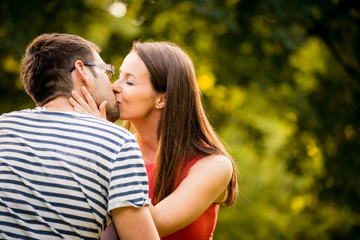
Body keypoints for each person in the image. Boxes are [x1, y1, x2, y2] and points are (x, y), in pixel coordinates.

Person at [69, 41, 239, 239]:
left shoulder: (213, 166)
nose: (114, 87)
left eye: (129, 82)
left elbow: (150, 226)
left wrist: (104, 137)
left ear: (162, 99)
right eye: (119, 76)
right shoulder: (114, 149)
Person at [0, 33, 159, 240]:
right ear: (82, 70)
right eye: (107, 72)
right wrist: (105, 133)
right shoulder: (117, 142)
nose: (112, 86)